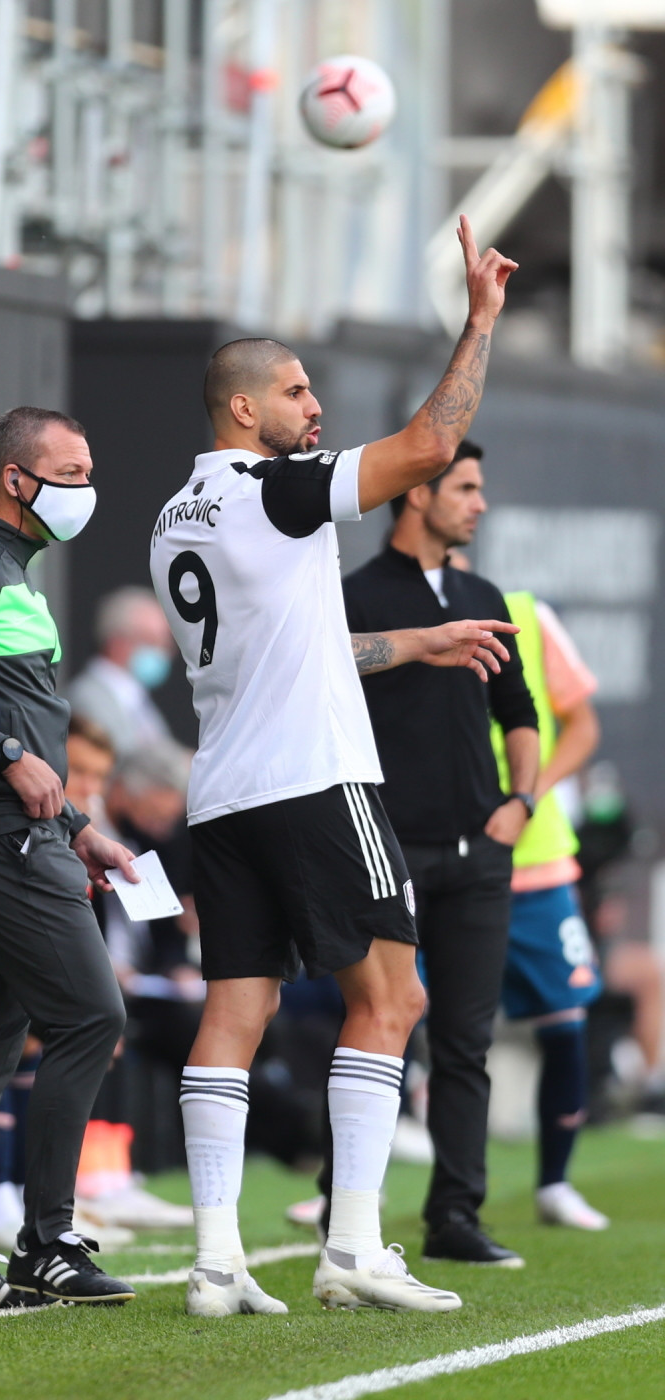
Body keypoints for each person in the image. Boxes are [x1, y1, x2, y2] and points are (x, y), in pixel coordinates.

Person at [148, 215, 518, 1316]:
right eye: (300, 393)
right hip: (316, 778)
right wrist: (479, 319)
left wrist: (414, 641)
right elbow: (428, 444)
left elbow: (299, 640)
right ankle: (352, 1241)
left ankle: (216, 1260)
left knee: (237, 1006)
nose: (315, 410)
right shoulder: (277, 486)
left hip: (223, 792)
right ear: (245, 410)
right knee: (393, 993)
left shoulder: (176, 514)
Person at [0, 406, 139, 1312]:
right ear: (16, 478)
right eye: (73, 473)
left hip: (14, 835)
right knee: (91, 1017)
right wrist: (10, 762)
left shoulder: (14, 570)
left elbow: (18, 722)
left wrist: (79, 824)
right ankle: (48, 1240)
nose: (88, 490)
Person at [342, 440, 539, 1269]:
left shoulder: (483, 594)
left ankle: (454, 1215)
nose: (480, 503)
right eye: (466, 487)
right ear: (417, 495)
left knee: (466, 1040)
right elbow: (319, 682)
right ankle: (345, 1206)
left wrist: (519, 805)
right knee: (372, 1029)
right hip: (390, 851)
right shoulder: (354, 595)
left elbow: (518, 710)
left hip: (481, 858)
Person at [491, 592, 606, 1228]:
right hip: (443, 859)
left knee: (566, 1024)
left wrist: (527, 794)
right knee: (393, 1015)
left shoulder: (527, 615)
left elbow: (583, 723)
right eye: (464, 488)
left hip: (538, 865)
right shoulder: (391, 606)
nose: (474, 504)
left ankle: (555, 1184)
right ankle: (340, 1188)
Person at [67, 586, 177, 758]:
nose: (163, 651)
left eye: (165, 642)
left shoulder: (137, 697)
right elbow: (120, 763)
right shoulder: (87, 698)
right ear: (116, 641)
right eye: (151, 640)